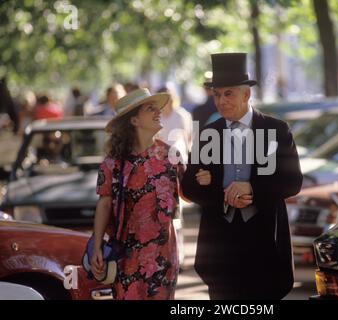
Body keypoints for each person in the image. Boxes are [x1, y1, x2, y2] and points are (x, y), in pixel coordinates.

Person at [181, 53, 303, 300]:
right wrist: (222, 195)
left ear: (246, 94)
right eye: (217, 95)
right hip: (220, 252)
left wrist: (251, 188)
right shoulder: (207, 134)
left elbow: (292, 181)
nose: (221, 101)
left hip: (265, 246)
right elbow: (189, 187)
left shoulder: (276, 130)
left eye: (228, 94)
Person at [90, 88, 183, 300]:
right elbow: (104, 204)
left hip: (163, 256)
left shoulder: (171, 155)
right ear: (133, 121)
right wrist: (96, 246)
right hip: (125, 256)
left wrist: (205, 179)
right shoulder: (112, 163)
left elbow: (189, 194)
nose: (158, 112)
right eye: (151, 109)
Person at [156, 83, 193, 163]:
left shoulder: (182, 114)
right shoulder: (157, 117)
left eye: (169, 97)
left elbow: (189, 137)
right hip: (162, 158)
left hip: (180, 157)